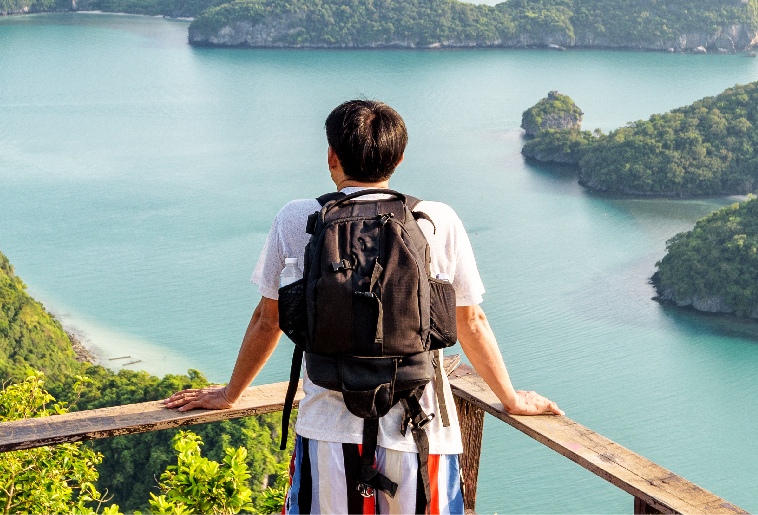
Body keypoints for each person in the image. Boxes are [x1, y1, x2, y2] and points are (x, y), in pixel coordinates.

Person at [165, 99, 563, 514]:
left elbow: (270, 319)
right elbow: (471, 321)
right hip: (421, 430)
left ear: (332, 156)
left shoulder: (298, 216)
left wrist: (231, 394)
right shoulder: (435, 219)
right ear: (399, 158)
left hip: (327, 430)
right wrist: (511, 399)